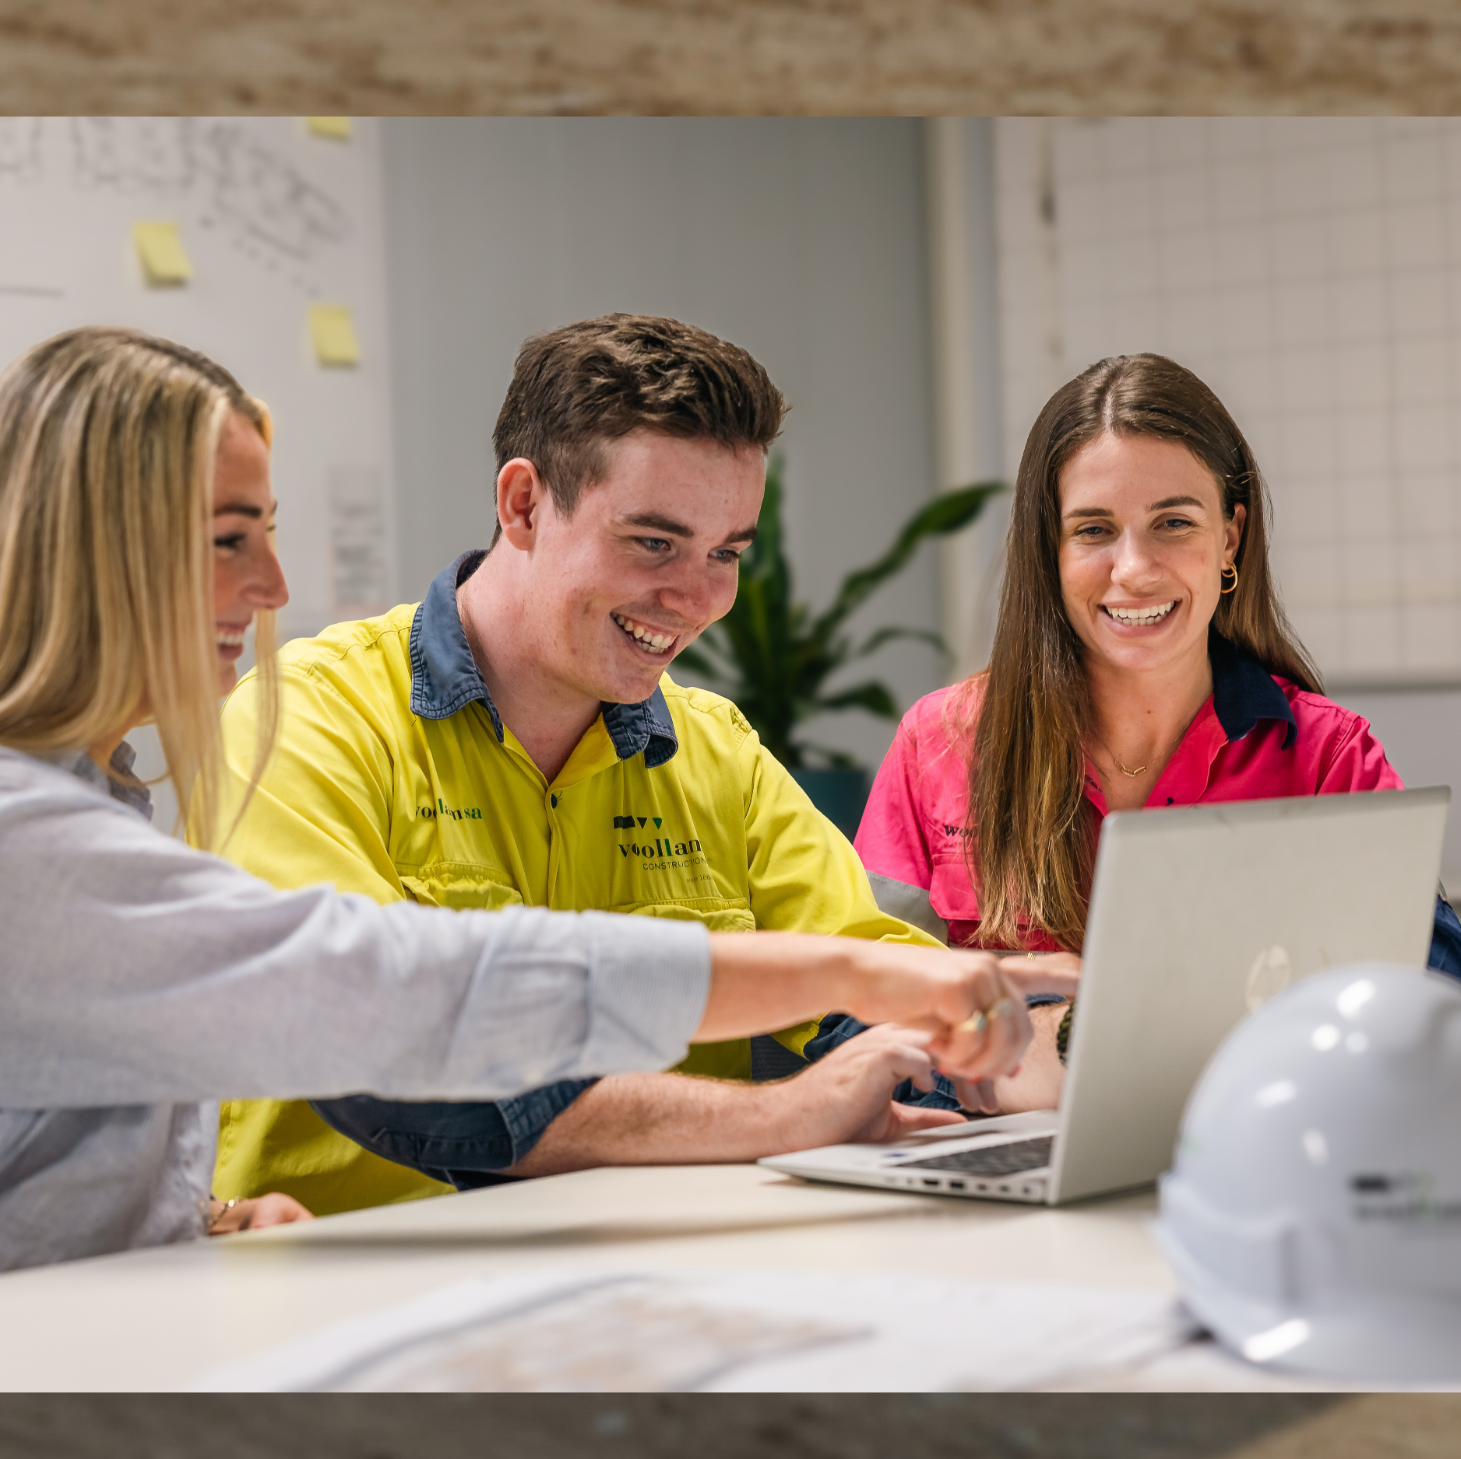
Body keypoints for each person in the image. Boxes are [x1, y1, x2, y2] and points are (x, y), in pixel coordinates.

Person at [0, 327, 1033, 1282]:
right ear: (522, 503)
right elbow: (392, 1011)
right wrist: (831, 1026)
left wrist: (181, 1223)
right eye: (227, 539)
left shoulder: (74, 802)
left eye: (726, 552)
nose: (275, 588)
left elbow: (10, 1147)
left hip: (620, 1269)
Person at [212, 314, 1041, 1216]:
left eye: (726, 552)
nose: (697, 598)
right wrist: (779, 1115)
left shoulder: (717, 747)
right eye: (653, 542)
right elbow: (382, 1053)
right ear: (523, 504)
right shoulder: (302, 718)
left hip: (656, 1272)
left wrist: (1009, 1051)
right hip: (354, 1276)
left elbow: (878, 989)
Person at [854, 352, 1461, 1114]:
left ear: (1230, 540)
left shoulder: (1327, 753)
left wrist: (1055, 1042)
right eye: (1093, 530)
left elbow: (1436, 989)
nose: (1134, 570)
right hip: (994, 1179)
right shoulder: (937, 742)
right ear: (1048, 553)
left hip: (1253, 1147)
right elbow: (856, 1019)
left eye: (1173, 523)